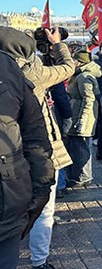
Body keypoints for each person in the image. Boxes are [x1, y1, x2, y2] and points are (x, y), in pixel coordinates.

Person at [0, 26, 74, 269]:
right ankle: (39, 261)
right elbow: (68, 68)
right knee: (43, 211)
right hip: (37, 151)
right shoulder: (33, 71)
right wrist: (57, 43)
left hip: (10, 155)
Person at [0, 46, 55, 269]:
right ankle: (39, 261)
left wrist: (42, 188)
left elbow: (34, 135)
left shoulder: (7, 67)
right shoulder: (13, 67)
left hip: (7, 200)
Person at [63, 50, 102, 191]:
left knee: (81, 148)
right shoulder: (80, 75)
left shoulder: (84, 77)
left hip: (81, 115)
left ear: (80, 62)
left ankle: (83, 177)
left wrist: (82, 121)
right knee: (78, 147)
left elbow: (89, 100)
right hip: (76, 113)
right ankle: (80, 176)